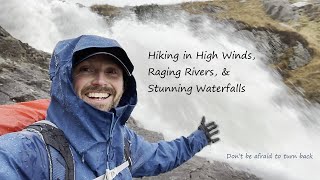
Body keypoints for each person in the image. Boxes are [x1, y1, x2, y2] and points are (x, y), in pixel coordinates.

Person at [0, 35, 220, 180]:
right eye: (86, 69)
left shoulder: (125, 142)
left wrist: (199, 138)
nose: (100, 81)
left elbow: (160, 155)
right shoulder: (31, 150)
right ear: (66, 80)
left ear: (125, 86)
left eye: (112, 72)